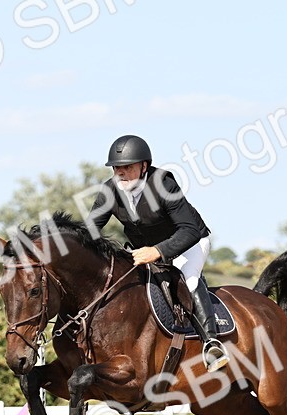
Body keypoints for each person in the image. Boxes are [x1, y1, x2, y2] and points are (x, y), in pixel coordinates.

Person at [85, 134, 228, 372]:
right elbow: (89, 231)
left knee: (188, 281)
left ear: (143, 166)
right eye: (116, 168)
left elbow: (190, 230)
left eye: (127, 167)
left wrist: (158, 251)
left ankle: (211, 343)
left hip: (188, 244)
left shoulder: (163, 183)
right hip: (145, 251)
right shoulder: (110, 190)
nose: (120, 172)